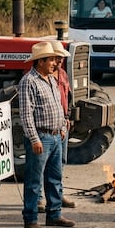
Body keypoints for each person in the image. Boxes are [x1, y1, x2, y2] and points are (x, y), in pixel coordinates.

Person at [19, 41, 75, 228]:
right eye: (51, 59)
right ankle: (31, 219)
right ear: (40, 61)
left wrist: (61, 127)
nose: (55, 63)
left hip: (55, 136)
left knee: (55, 178)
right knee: (34, 181)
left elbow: (58, 106)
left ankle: (54, 215)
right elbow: (26, 115)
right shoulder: (29, 81)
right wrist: (34, 139)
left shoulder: (50, 79)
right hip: (41, 137)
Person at [37, 40, 76, 213]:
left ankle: (57, 196)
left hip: (61, 125)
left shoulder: (63, 75)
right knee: (40, 166)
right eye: (56, 58)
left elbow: (66, 98)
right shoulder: (41, 77)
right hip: (45, 128)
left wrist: (67, 117)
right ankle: (38, 198)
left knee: (59, 162)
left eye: (60, 58)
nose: (58, 61)